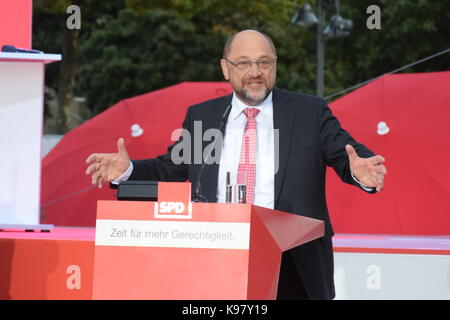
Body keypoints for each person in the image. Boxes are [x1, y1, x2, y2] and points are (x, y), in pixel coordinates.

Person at [86, 29, 387, 300]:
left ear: (275, 66)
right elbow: (171, 169)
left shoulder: (308, 112)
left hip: (294, 264)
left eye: (264, 63)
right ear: (225, 69)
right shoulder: (205, 118)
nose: (255, 72)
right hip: (216, 260)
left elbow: (346, 154)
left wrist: (360, 171)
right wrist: (127, 171)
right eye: (243, 63)